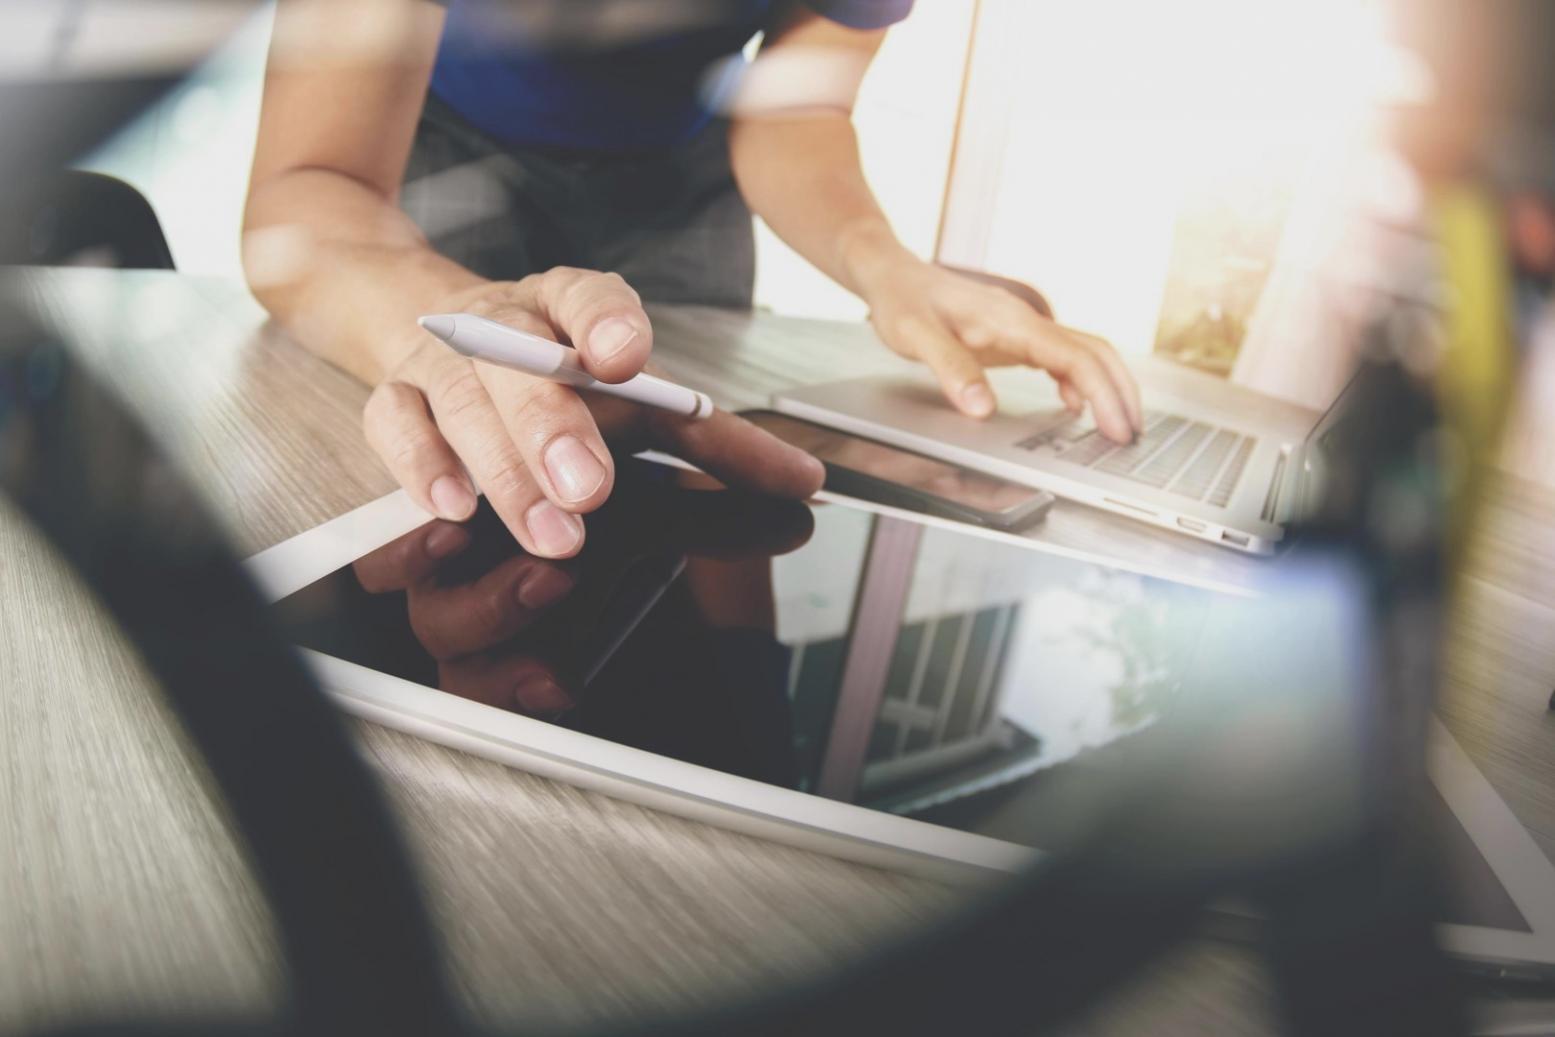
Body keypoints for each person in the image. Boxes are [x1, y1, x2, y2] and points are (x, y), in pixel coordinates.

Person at [243, 0, 1143, 559]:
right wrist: (431, 318)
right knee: (463, 456)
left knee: (707, 495)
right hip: (439, 149)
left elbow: (801, 104)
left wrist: (885, 267)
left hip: (683, 172)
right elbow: (312, 186)